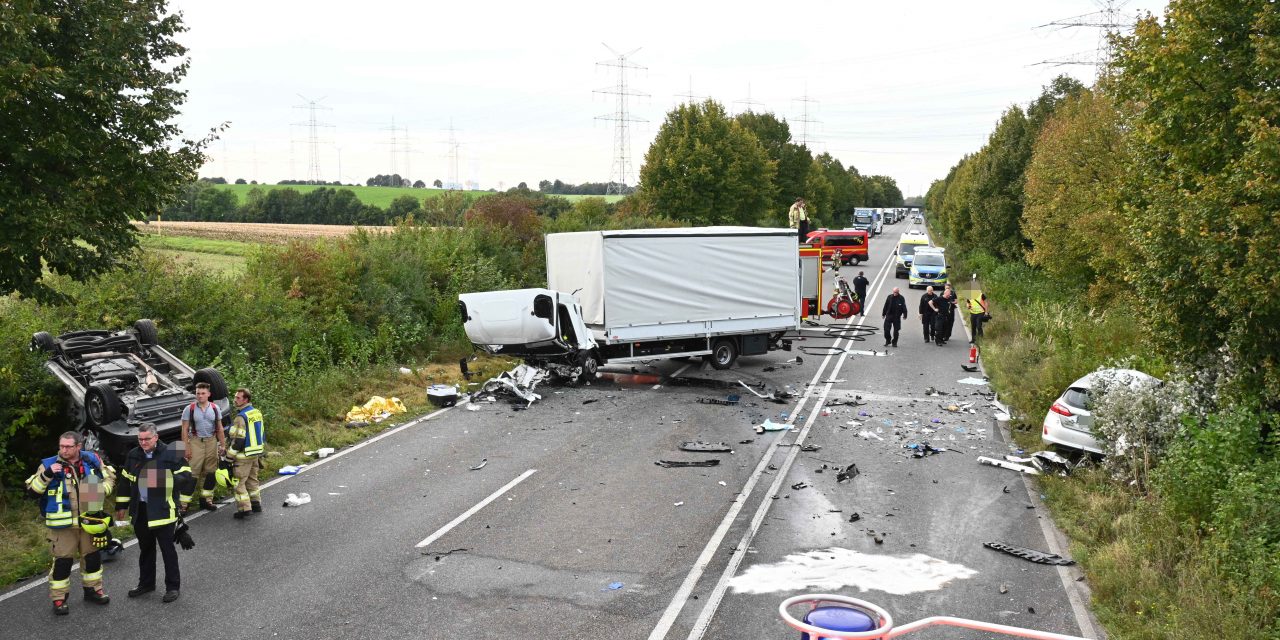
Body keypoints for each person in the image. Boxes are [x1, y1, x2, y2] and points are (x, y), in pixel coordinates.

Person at [25, 431, 115, 615]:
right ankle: (59, 600)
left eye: (68, 446)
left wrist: (101, 491)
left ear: (78, 447)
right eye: (61, 446)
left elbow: (109, 476)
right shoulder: (49, 464)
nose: (63, 450)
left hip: (89, 522)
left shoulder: (91, 460)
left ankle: (93, 591)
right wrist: (47, 475)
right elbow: (32, 491)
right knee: (62, 563)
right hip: (62, 526)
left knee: (92, 559)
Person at [115, 423, 193, 603]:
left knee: (167, 550)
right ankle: (146, 583)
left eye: (147, 439)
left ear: (156, 437)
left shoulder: (170, 453)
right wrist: (121, 505)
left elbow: (186, 476)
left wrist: (165, 479)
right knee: (146, 549)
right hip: (141, 510)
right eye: (140, 439)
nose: (143, 443)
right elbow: (125, 481)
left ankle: (173, 587)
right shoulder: (133, 455)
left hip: (163, 509)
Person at [180, 382, 225, 512]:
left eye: (203, 393)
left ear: (209, 394)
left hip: (211, 441)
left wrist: (222, 445)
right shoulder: (190, 409)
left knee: (210, 472)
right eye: (198, 393)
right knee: (192, 473)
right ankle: (184, 505)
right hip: (195, 442)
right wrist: (186, 447)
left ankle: (206, 500)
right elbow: (184, 429)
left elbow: (219, 428)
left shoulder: (215, 408)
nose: (200, 396)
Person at [226, 388, 266, 519]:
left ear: (246, 400)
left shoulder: (240, 417)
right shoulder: (256, 413)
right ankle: (256, 504)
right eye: (235, 397)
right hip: (255, 454)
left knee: (238, 483)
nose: (235, 400)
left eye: (238, 398)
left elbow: (239, 440)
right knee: (252, 481)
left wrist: (229, 457)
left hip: (243, 456)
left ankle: (244, 508)